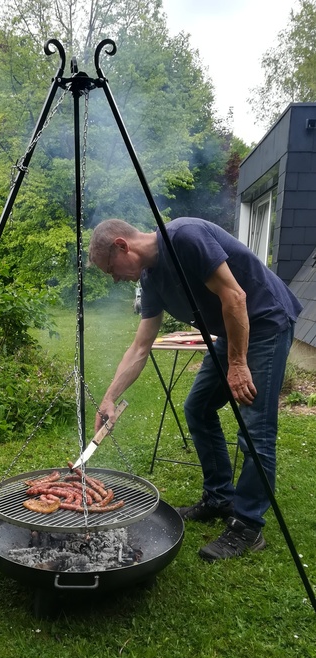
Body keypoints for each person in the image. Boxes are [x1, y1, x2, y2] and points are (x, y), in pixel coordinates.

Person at [88, 217, 302, 561]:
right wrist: (109, 398)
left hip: (265, 321)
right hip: (232, 329)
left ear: (122, 246)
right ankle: (219, 498)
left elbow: (235, 295)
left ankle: (248, 525)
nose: (114, 279)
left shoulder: (184, 237)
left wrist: (237, 364)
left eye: (111, 269)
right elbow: (140, 347)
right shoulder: (151, 278)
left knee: (255, 428)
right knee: (198, 407)